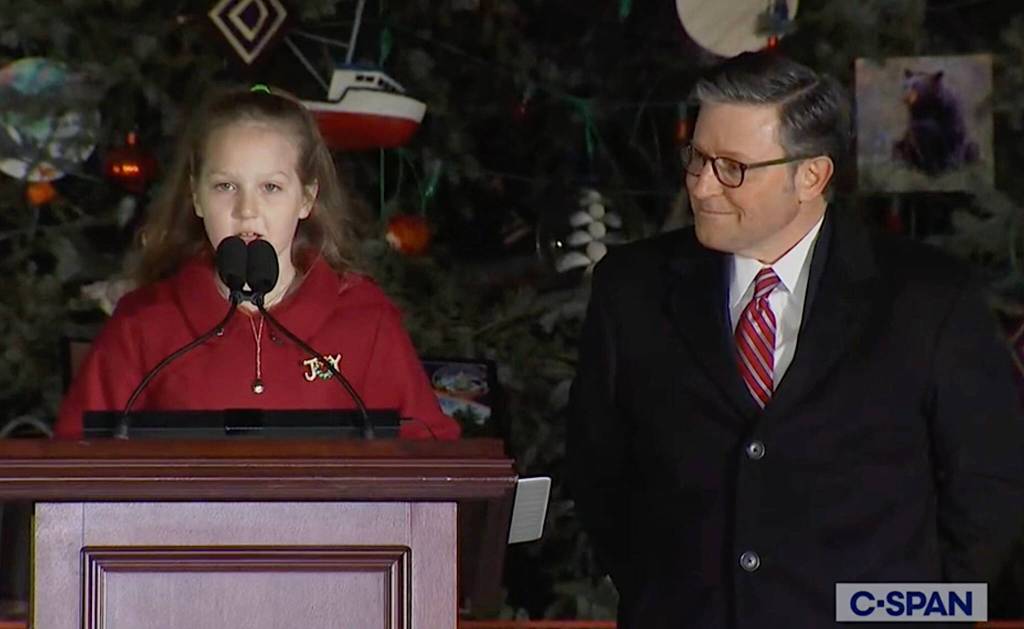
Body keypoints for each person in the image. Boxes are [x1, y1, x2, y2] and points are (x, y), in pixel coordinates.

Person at [567, 52, 1024, 628]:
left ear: (811, 175)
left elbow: (991, 487)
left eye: (732, 166)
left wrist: (913, 619)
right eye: (697, 157)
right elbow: (597, 471)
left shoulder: (928, 298)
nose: (702, 186)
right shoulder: (630, 288)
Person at [56, 84, 460, 441]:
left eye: (271, 187)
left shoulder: (366, 318)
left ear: (305, 198)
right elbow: (75, 464)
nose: (247, 211)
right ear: (196, 196)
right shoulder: (142, 323)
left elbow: (432, 457)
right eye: (225, 186)